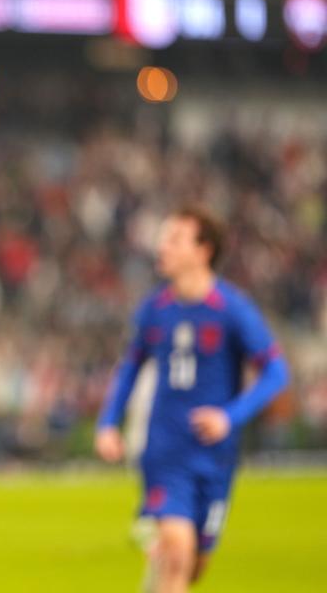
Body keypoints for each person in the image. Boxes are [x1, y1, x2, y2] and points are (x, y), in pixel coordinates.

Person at [95, 205, 289, 593]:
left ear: (203, 251)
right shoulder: (154, 310)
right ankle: (164, 549)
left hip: (216, 458)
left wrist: (229, 417)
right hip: (166, 450)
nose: (161, 246)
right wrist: (107, 424)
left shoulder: (232, 309)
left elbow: (276, 373)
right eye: (163, 238)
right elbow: (130, 368)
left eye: (174, 239)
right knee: (179, 553)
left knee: (192, 567)